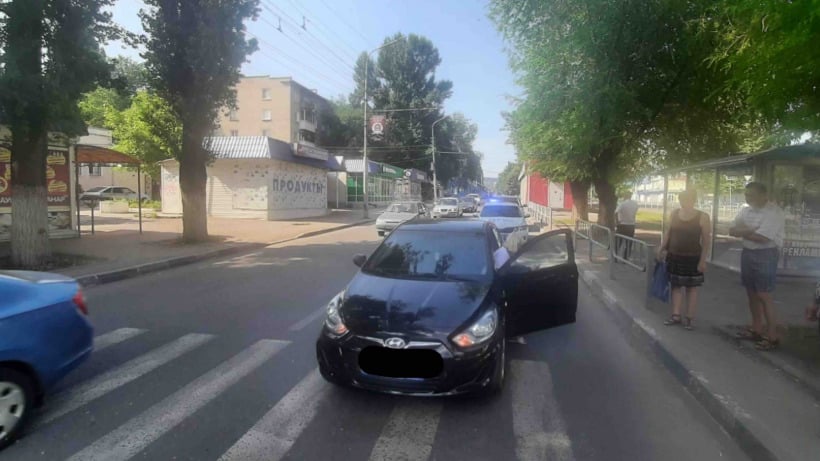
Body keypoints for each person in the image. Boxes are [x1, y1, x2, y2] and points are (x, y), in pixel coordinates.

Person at [730, 182, 785, 351]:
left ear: (763, 195)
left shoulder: (773, 212)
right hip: (748, 253)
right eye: (746, 195)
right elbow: (732, 230)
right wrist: (750, 230)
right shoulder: (745, 210)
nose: (748, 198)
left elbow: (763, 238)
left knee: (764, 295)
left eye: (751, 195)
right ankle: (756, 329)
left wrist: (744, 231)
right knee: (751, 293)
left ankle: (772, 336)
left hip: (766, 255)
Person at [658, 188, 711, 330]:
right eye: (681, 200)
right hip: (674, 255)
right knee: (675, 285)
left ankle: (689, 318)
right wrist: (661, 248)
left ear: (693, 200)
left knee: (691, 288)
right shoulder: (675, 214)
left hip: (693, 257)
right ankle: (676, 315)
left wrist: (703, 260)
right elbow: (668, 232)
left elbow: (706, 240)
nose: (684, 203)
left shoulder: (703, 216)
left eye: (687, 200)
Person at [615, 190, 639, 260]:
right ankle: (625, 257)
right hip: (631, 225)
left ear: (625, 196)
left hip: (622, 225)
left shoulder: (622, 204)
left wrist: (617, 222)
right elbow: (634, 213)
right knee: (629, 242)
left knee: (618, 241)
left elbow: (616, 213)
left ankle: (615, 256)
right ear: (630, 196)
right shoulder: (635, 204)